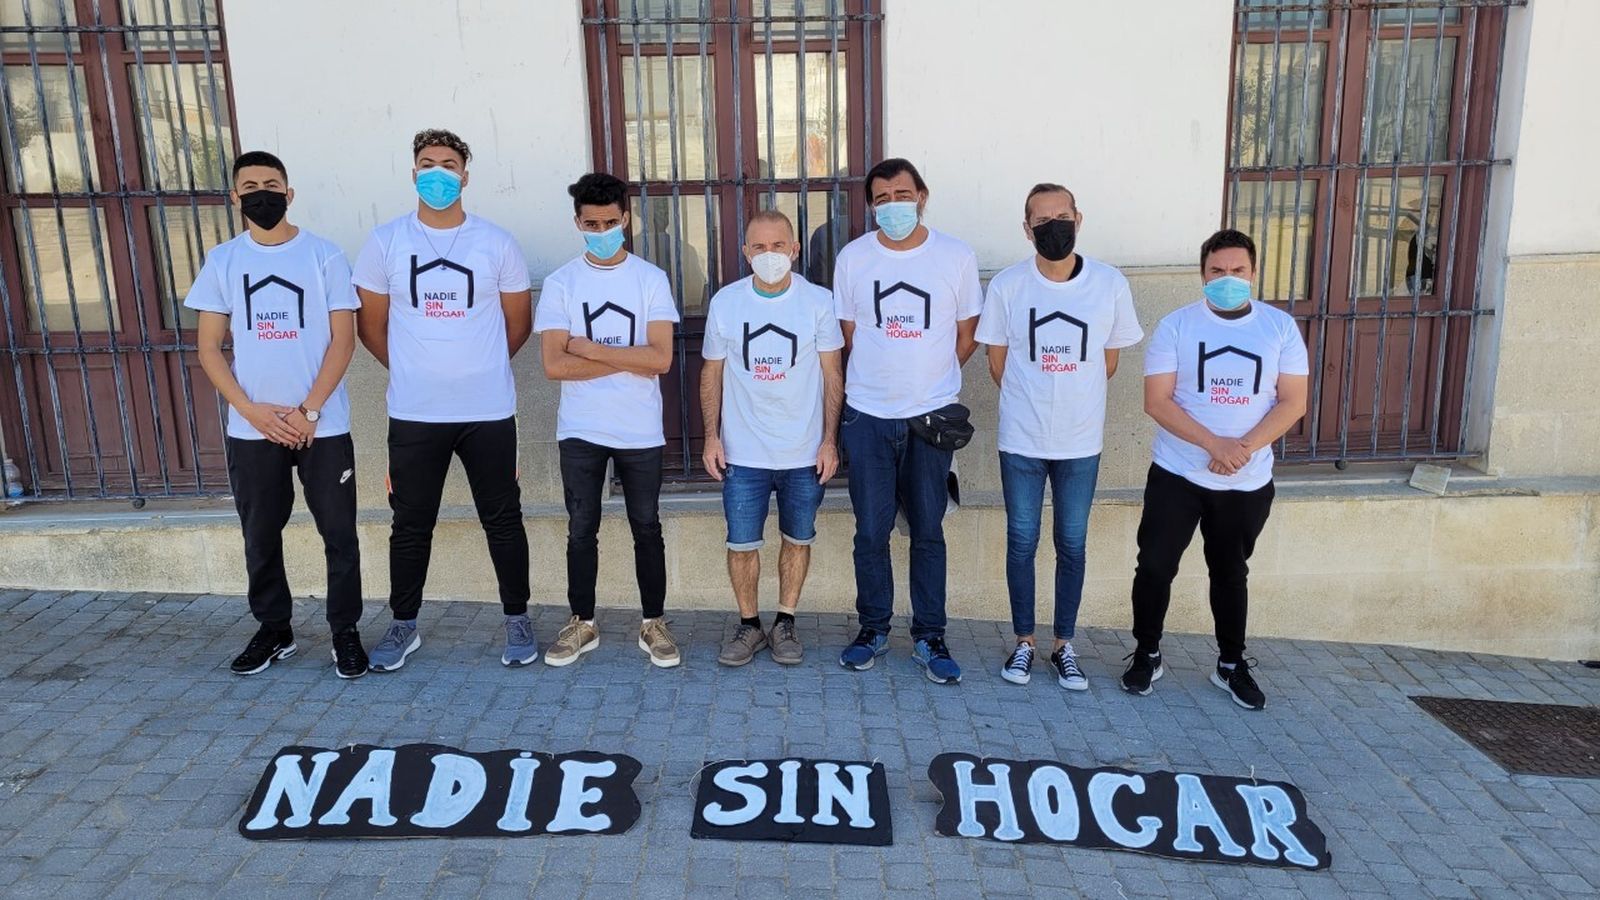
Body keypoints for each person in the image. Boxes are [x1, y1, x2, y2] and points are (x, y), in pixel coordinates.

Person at [352, 128, 535, 671]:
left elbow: (518, 324)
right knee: (410, 523)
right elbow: (371, 327)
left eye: (448, 164)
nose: (438, 173)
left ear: (465, 176)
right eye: (427, 163)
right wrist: (417, 370)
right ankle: (403, 625)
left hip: (487, 411)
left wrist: (473, 368)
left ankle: (518, 619)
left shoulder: (496, 242)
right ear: (413, 174)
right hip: (415, 412)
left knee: (503, 518)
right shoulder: (384, 242)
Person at [187, 150, 366, 679]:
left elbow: (344, 339)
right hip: (253, 428)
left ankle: (345, 631)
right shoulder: (223, 261)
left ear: (289, 194)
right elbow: (208, 348)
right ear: (235, 196)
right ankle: (275, 629)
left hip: (322, 425)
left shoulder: (325, 256)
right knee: (260, 533)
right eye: (250, 185)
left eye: (272, 184)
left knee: (340, 534)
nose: (261, 193)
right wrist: (249, 411)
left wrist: (311, 410)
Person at [1120, 229, 1309, 710]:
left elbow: (1293, 402)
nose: (1228, 279)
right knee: (1155, 566)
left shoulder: (1279, 328)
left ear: (1254, 272)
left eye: (1238, 271)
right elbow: (1156, 401)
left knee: (1229, 572)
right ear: (1202, 275)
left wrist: (1241, 449)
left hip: (1246, 480)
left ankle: (1230, 663)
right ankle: (1147, 652)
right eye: (1217, 271)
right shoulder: (1177, 327)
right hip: (1178, 474)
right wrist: (1213, 444)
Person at [977, 183, 1143, 690]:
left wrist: (1069, 396)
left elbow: (1108, 362)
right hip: (1022, 440)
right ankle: (1024, 643)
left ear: (1078, 217)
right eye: (1042, 219)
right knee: (1021, 541)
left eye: (1062, 215)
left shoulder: (1109, 284)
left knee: (1071, 542)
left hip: (1080, 441)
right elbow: (997, 361)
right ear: (1027, 230)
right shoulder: (1008, 286)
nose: (1054, 226)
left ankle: (1063, 645)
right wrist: (1036, 399)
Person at [832, 158, 983, 684]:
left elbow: (967, 334)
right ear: (870, 205)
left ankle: (928, 635)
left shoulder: (955, 256)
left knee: (927, 529)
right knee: (870, 531)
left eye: (902, 194)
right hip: (867, 415)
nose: (892, 205)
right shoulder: (853, 258)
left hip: (931, 418)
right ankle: (872, 628)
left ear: (922, 194)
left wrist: (930, 381)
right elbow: (849, 332)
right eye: (881, 198)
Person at [534, 173, 682, 669]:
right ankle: (583, 622)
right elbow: (554, 366)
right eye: (591, 223)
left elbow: (661, 359)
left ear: (627, 220)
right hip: (581, 427)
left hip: (640, 428)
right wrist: (628, 356)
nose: (601, 230)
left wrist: (592, 349)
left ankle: (653, 623)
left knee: (647, 526)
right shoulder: (561, 283)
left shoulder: (649, 279)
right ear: (577, 221)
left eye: (611, 222)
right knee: (581, 528)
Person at [700, 210, 845, 667]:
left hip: (804, 452)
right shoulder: (726, 303)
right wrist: (710, 437)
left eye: (778, 246)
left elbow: (832, 376)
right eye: (759, 248)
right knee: (741, 543)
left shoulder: (818, 302)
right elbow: (712, 374)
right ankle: (748, 626)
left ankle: (785, 622)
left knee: (797, 538)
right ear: (745, 253)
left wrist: (829, 441)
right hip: (743, 453)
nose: (769, 255)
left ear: (795, 249)